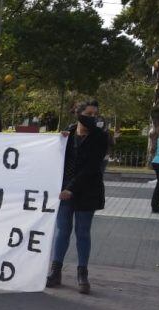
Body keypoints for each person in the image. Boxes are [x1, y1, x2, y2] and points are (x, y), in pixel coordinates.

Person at [46, 100, 108, 295]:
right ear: (79, 114)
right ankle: (55, 271)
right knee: (63, 230)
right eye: (88, 113)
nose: (92, 117)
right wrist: (58, 141)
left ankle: (83, 274)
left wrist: (71, 188)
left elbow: (92, 167)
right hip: (65, 191)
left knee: (82, 232)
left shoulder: (100, 137)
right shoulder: (68, 134)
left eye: (95, 114)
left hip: (87, 191)